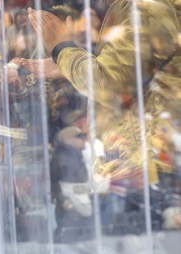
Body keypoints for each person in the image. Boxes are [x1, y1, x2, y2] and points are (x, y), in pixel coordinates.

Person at [21, 0, 181, 188]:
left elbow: (111, 85)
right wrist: (66, 62)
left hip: (150, 168)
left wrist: (62, 49)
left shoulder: (146, 7)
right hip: (137, 165)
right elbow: (118, 74)